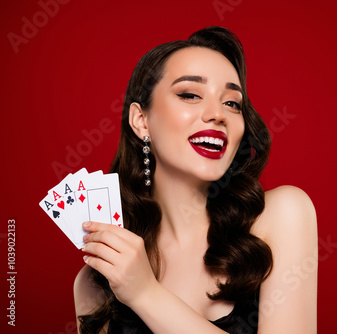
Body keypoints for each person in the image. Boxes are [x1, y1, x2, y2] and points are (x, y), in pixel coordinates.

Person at [73, 26, 317, 333]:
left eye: (232, 103)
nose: (218, 114)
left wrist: (146, 294)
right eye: (190, 94)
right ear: (141, 120)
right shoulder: (97, 278)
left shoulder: (282, 215)